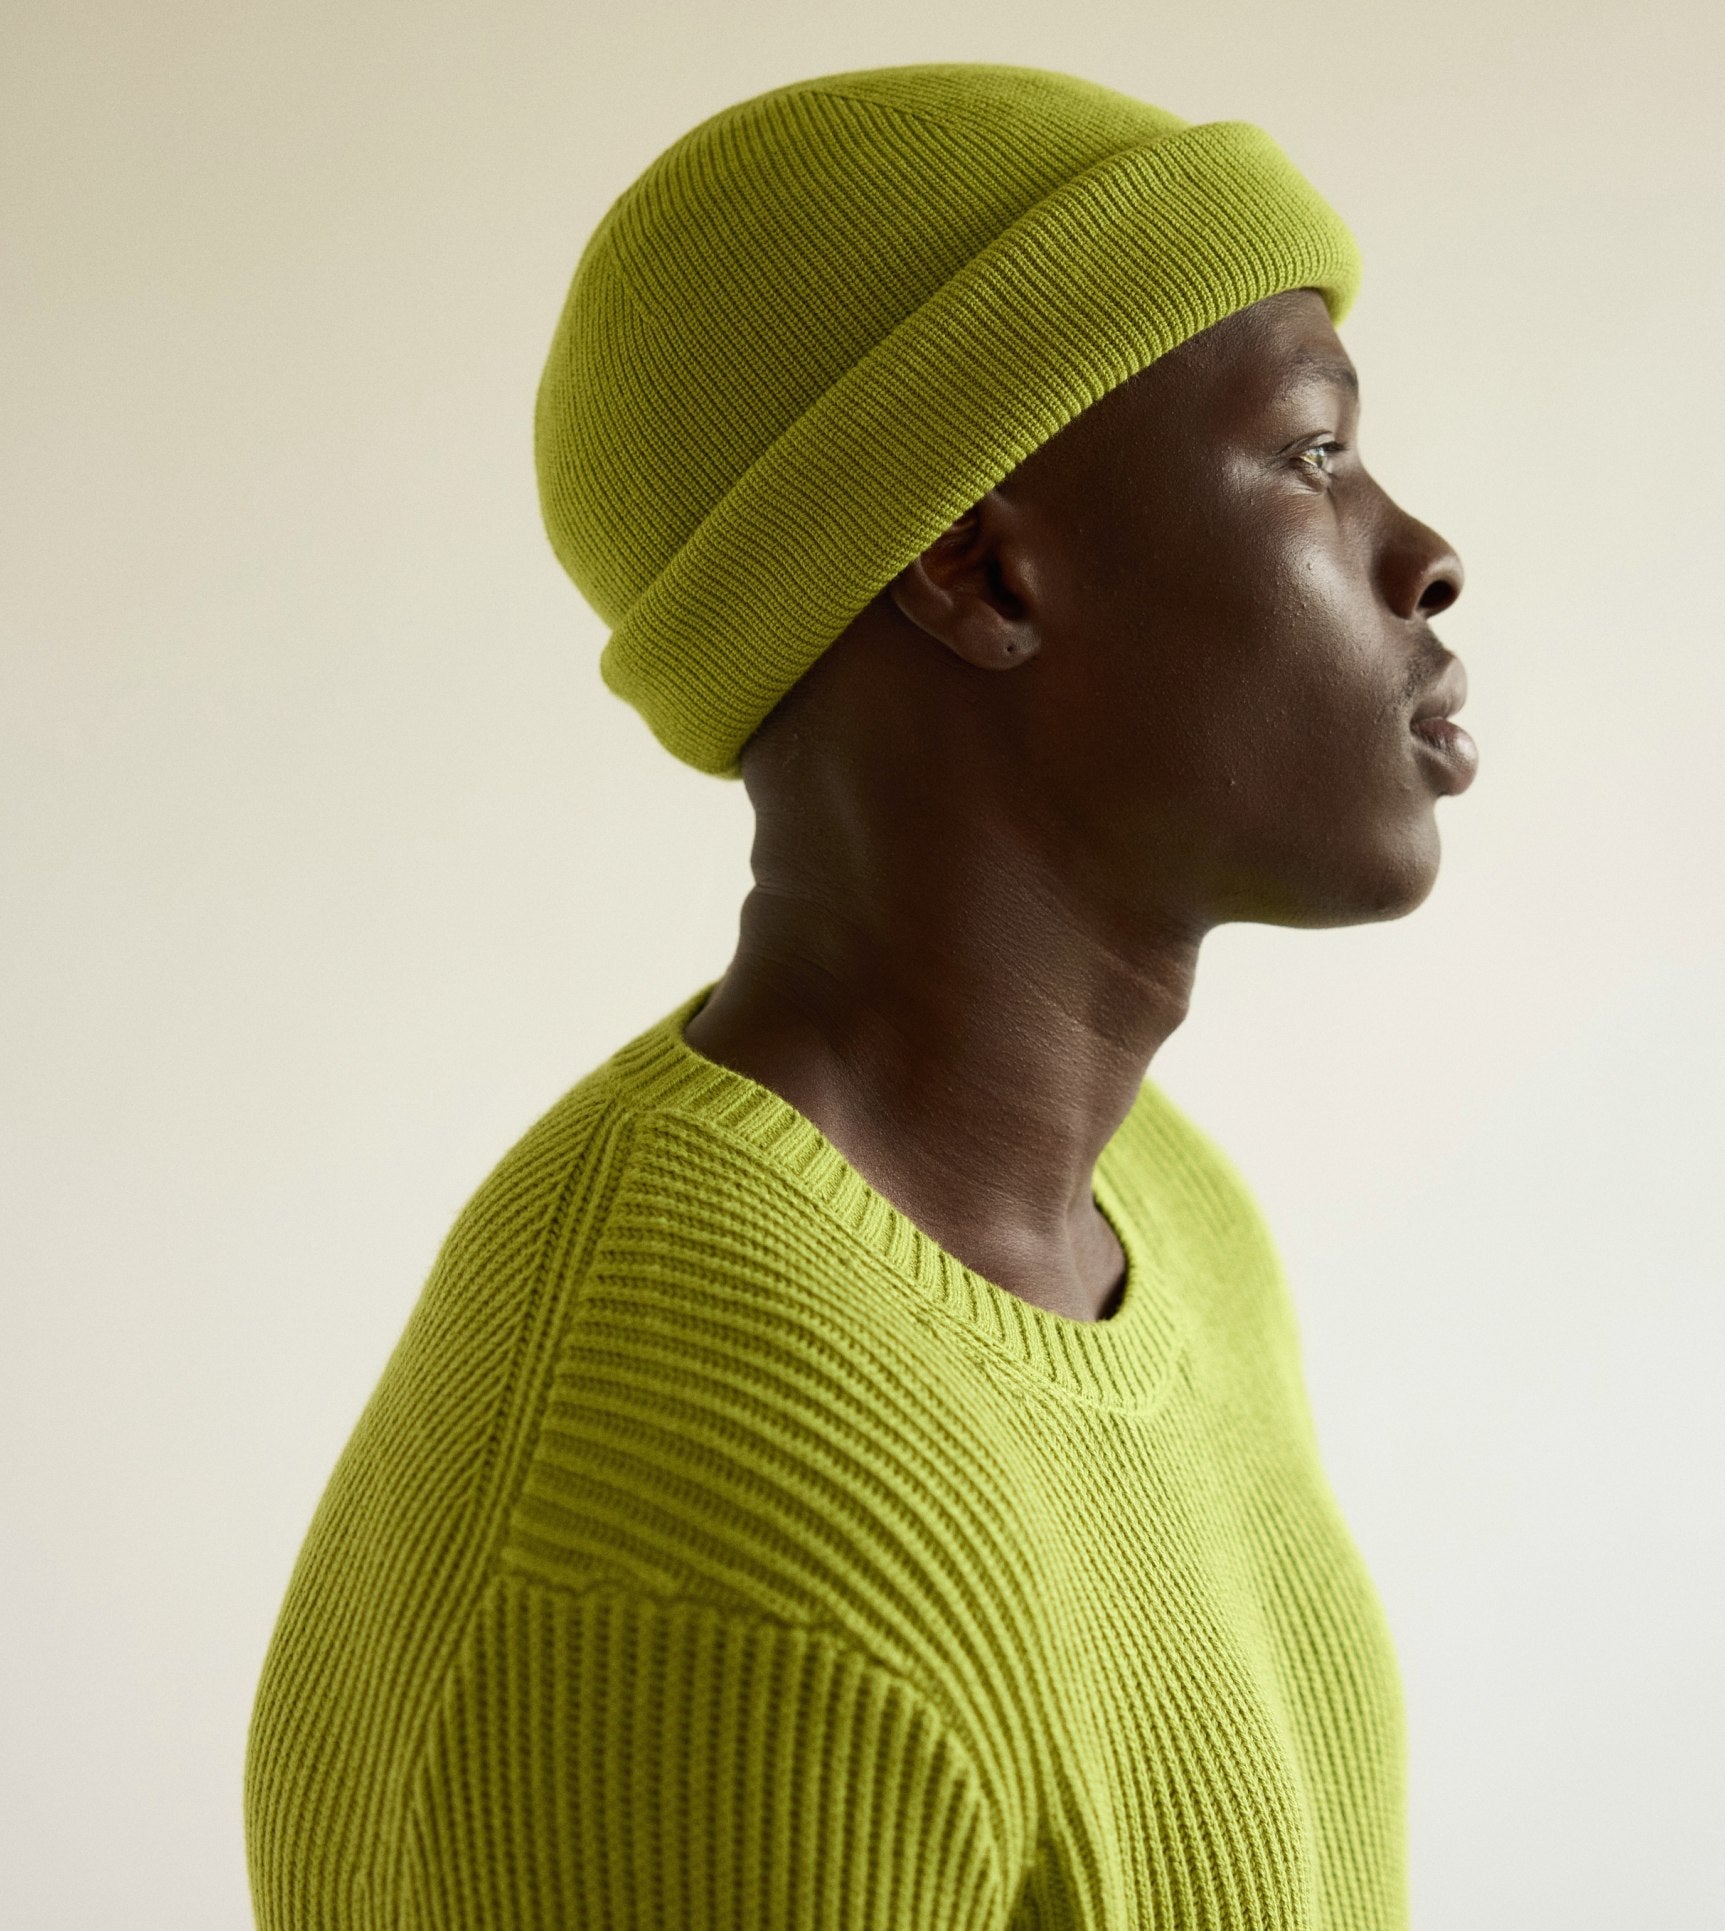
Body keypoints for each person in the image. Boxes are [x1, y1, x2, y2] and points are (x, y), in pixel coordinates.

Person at [245, 60, 1473, 1931]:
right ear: (978, 572)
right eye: (1313, 454)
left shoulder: (1173, 1221)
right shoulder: (699, 1501)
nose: (1423, 557)